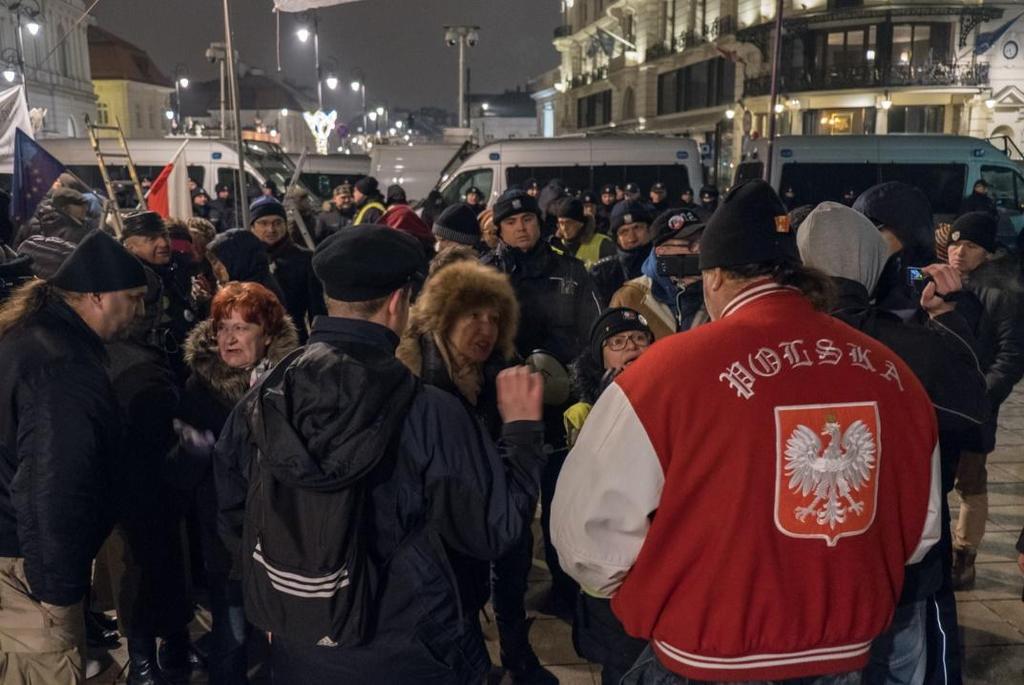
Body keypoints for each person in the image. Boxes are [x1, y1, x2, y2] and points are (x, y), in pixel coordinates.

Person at [552, 180, 941, 685]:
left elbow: (588, 537)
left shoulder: (665, 373)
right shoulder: (892, 374)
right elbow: (921, 531)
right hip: (841, 657)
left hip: (706, 652)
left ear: (714, 276)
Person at [213, 226, 547, 684]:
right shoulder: (431, 411)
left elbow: (234, 510)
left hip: (300, 647)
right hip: (412, 653)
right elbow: (495, 530)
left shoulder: (264, 397)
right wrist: (523, 430)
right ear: (398, 302)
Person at [797, 201, 990, 684]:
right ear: (871, 263)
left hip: (796, 568)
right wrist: (948, 318)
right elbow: (972, 418)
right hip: (897, 568)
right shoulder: (906, 345)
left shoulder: (758, 347)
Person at [395, 259, 556, 684]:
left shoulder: (495, 371)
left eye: (494, 318)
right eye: (473, 316)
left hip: (485, 523)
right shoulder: (411, 377)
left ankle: (514, 651)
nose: (485, 328)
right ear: (444, 317)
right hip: (437, 554)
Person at [0, 230, 148, 683]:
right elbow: (52, 488)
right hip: (26, 570)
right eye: (133, 298)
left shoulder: (29, 336)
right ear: (97, 297)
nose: (140, 311)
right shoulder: (62, 368)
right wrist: (60, 594)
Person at [481, 189, 601, 616]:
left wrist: (567, 377)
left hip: (558, 410)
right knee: (509, 508)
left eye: (527, 220)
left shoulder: (569, 271)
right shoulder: (484, 275)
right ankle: (508, 601)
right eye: (510, 222)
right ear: (497, 229)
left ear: (540, 222)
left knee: (560, 505)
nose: (520, 228)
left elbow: (592, 335)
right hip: (502, 412)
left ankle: (565, 593)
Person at [178, 281, 299, 684]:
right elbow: (178, 476)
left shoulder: (292, 383)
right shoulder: (200, 388)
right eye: (223, 328)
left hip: (284, 538)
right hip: (225, 540)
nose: (230, 339)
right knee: (230, 636)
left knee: (284, 641)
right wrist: (191, 452)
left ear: (268, 335)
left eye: (243, 328)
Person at [102, 267, 195, 685]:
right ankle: (143, 655)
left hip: (158, 472)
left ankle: (173, 642)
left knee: (168, 560)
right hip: (133, 476)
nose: (142, 308)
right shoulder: (119, 354)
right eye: (136, 299)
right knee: (138, 566)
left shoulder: (141, 346)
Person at [562, 308, 653, 684]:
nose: (630, 348)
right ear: (600, 358)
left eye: (639, 339)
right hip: (610, 572)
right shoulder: (582, 413)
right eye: (617, 343)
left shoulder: (674, 399)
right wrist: (607, 405)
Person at [945, 211, 1024, 589]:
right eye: (955, 243)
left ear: (989, 253)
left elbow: (1010, 356)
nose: (959, 252)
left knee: (971, 481)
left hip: (975, 408)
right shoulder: (940, 283)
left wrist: (981, 397)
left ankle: (965, 555)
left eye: (971, 245)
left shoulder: (1003, 293)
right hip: (938, 404)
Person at [121, 211, 204, 384]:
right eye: (151, 239)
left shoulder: (173, 270)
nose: (164, 243)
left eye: (164, 235)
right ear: (130, 247)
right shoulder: (130, 285)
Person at [610, 208, 707, 339]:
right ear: (661, 251)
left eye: (701, 242)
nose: (698, 250)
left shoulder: (719, 285)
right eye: (689, 244)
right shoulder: (630, 297)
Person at [853, 181, 937, 318]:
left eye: (874, 228)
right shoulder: (860, 262)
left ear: (904, 229)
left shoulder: (922, 274)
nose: (863, 237)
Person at [247, 196, 324, 343]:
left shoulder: (305, 259)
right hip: (252, 342)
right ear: (252, 226)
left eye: (277, 222)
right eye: (263, 223)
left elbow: (317, 309)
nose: (271, 229)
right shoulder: (245, 259)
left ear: (285, 224)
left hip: (293, 342)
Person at [590, 200, 654, 305]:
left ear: (649, 229)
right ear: (617, 238)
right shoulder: (602, 274)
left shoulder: (663, 266)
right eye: (624, 231)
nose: (632, 237)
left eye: (637, 228)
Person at [13, 187, 91, 248]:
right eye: (79, 204)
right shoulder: (76, 231)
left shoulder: (29, 224)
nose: (85, 209)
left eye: (86, 205)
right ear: (65, 207)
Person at [552, 197, 614, 270]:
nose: (564, 228)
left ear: (580, 223)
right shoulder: (554, 246)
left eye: (569, 223)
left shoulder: (602, 244)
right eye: (561, 223)